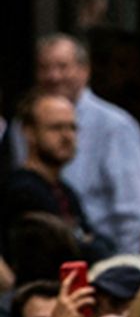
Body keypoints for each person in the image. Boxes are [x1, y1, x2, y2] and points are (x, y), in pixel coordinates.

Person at [18, 34, 140, 255]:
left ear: (84, 70)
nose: (53, 76)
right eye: (45, 68)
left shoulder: (116, 126)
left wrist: (125, 270)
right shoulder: (21, 129)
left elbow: (133, 212)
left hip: (108, 264)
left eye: (63, 67)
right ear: (30, 133)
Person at [3, 90, 113, 263]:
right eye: (56, 128)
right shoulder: (22, 190)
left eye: (72, 128)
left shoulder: (66, 190)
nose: (67, 136)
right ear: (29, 132)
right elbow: (66, 252)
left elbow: (98, 243)